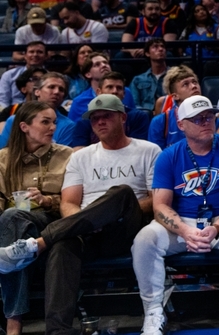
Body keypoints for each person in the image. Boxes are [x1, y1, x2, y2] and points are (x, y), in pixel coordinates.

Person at [0, 94, 161, 335]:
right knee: (63, 245)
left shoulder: (149, 150)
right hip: (87, 230)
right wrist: (89, 220)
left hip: (126, 229)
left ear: (123, 118)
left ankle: (38, 244)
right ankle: (58, 330)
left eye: (107, 116)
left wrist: (105, 214)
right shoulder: (80, 156)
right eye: (95, 118)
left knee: (122, 193)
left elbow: (156, 200)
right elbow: (69, 203)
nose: (100, 122)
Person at [132, 95, 219, 335]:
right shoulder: (168, 155)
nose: (205, 122)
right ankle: (153, 310)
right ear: (181, 125)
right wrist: (186, 231)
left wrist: (217, 227)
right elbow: (160, 206)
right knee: (145, 239)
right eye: (197, 119)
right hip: (184, 222)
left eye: (209, 116)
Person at [0, 102, 73, 335]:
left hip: (51, 223)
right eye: (45, 122)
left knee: (12, 223)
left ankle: (14, 322)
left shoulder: (67, 155)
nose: (52, 127)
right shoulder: (3, 159)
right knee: (13, 231)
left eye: (54, 122)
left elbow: (73, 200)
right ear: (24, 126)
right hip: (12, 226)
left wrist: (46, 200)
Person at [66, 53, 137, 122]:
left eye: (106, 63)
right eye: (97, 64)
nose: (104, 65)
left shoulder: (126, 92)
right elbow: (73, 131)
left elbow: (133, 119)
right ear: (88, 74)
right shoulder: (79, 102)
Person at [148, 65, 204, 149]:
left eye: (194, 82)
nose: (193, 86)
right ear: (175, 96)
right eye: (185, 84)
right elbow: (157, 157)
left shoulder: (211, 117)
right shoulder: (160, 122)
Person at [0, 42, 48, 108]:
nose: (35, 54)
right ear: (25, 56)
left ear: (46, 56)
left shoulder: (51, 77)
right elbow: (3, 100)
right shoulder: (9, 75)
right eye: (31, 52)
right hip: (13, 111)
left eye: (40, 52)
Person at [130, 39, 169, 112]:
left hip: (168, 113)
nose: (160, 49)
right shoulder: (138, 80)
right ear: (147, 53)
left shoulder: (174, 76)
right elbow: (134, 104)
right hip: (145, 116)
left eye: (162, 47)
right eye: (155, 47)